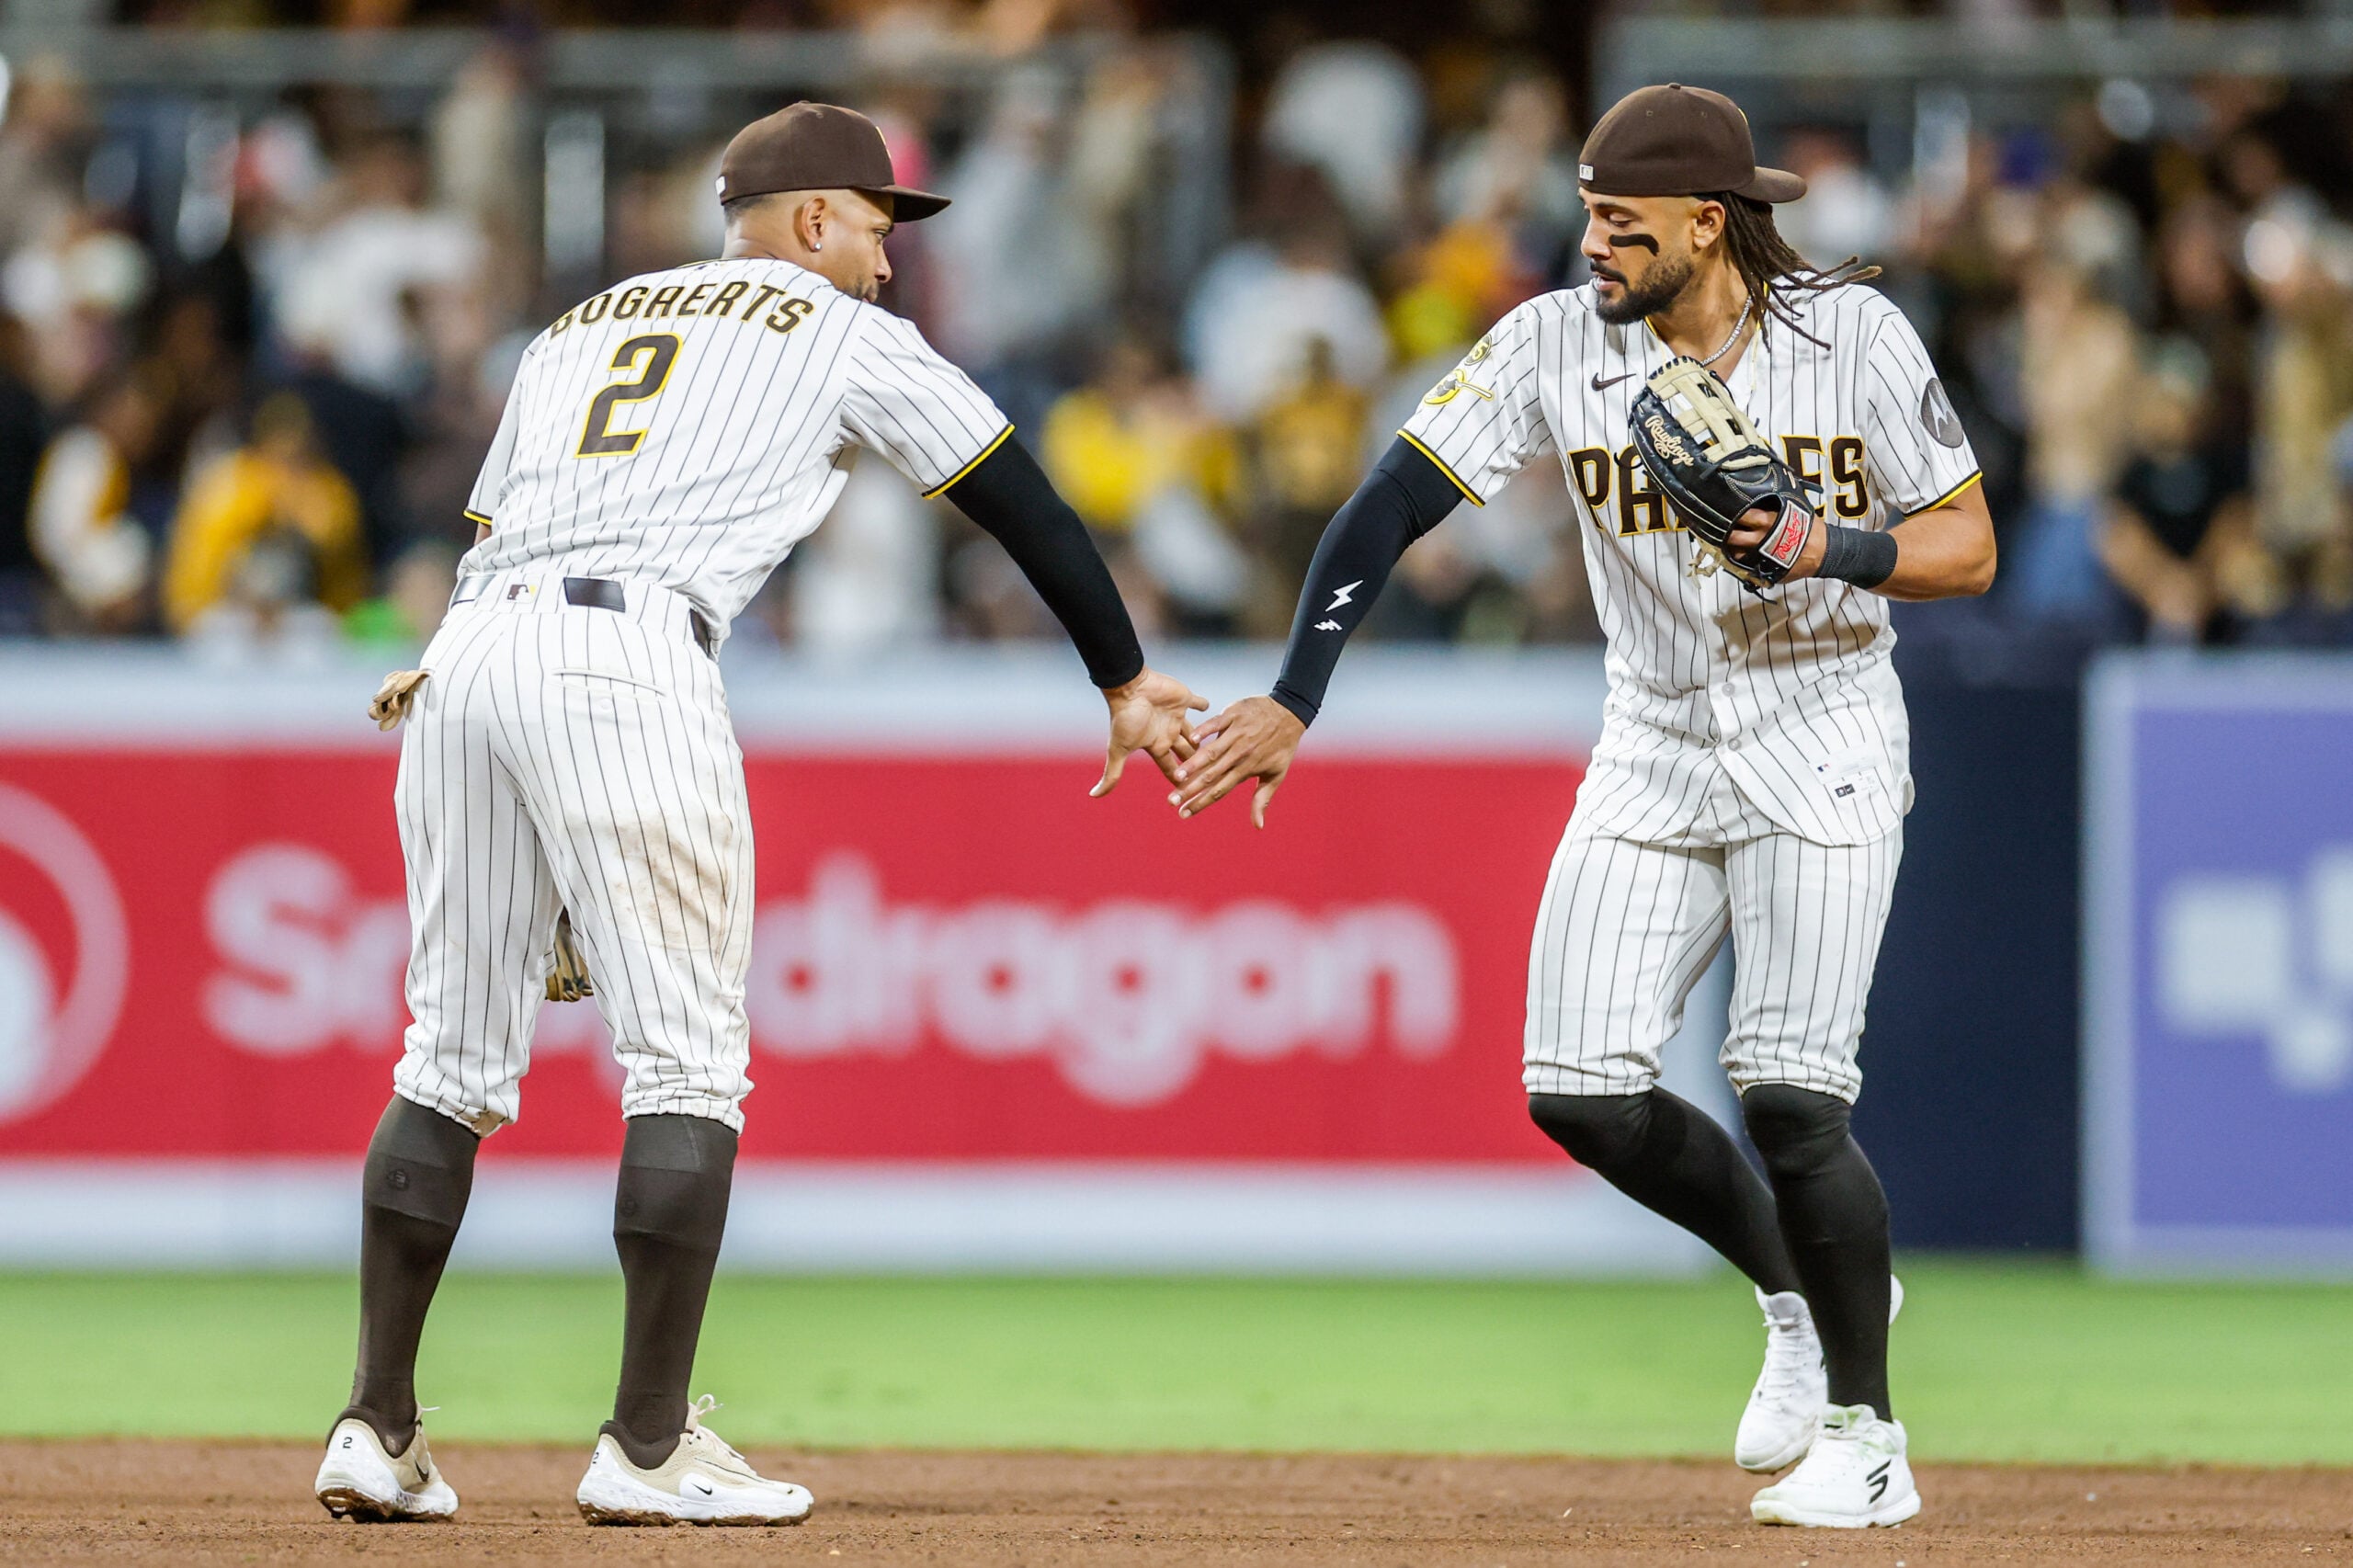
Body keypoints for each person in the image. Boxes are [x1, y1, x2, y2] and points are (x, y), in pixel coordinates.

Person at [314, 102, 1202, 1528]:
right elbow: (1011, 490)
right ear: (806, 222)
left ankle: (376, 1421)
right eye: (873, 223)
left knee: (452, 1052)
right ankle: (650, 1447)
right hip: (630, 651)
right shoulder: (830, 326)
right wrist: (1123, 672)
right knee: (687, 1062)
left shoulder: (575, 324)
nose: (887, 259)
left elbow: (490, 532)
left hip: (465, 655)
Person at [1170, 84, 1996, 1529]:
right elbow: (1388, 504)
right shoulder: (1557, 338)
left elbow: (1968, 544)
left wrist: (1826, 539)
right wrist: (1300, 691)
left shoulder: (1851, 334)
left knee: (1794, 1094)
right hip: (1656, 730)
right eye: (1588, 213)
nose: (1592, 242)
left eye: (1621, 222)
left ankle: (1870, 1438)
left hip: (1825, 717)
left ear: (1705, 218)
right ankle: (1798, 1291)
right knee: (1578, 1086)